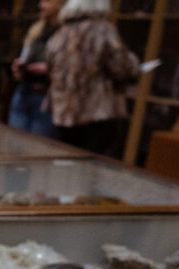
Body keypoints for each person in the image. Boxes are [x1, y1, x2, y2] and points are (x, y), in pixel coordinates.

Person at [45, 0, 140, 155]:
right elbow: (121, 68)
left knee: (66, 160)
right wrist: (134, 64)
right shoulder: (103, 31)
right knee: (93, 164)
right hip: (96, 112)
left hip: (63, 111)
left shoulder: (60, 33)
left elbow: (50, 68)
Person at [8, 0, 64, 138]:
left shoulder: (67, 33)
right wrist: (19, 67)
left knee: (39, 144)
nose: (41, 5)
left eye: (47, 1)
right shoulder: (36, 29)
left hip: (47, 97)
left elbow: (72, 69)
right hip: (24, 91)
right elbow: (25, 55)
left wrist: (48, 70)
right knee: (15, 143)